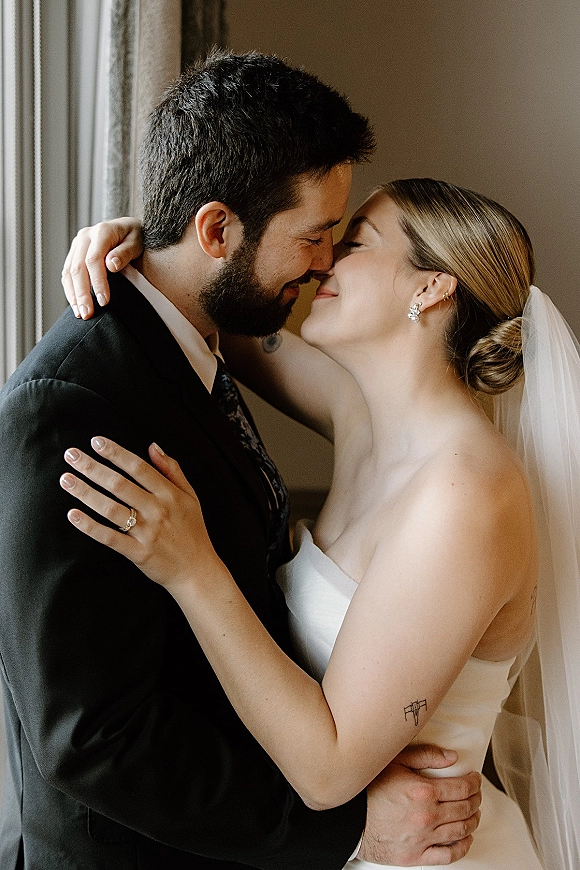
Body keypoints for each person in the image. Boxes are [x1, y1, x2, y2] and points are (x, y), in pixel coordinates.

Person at [0, 53, 483, 870]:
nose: (326, 261)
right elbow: (91, 741)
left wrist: (140, 234)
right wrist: (351, 830)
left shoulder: (198, 338)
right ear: (218, 230)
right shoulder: (72, 404)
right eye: (316, 234)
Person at [61, 176, 580, 869]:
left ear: (430, 288)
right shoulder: (365, 416)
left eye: (356, 241)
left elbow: (329, 769)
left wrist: (190, 568)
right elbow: (217, 315)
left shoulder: (468, 497)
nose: (322, 259)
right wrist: (141, 239)